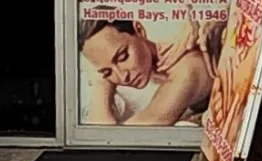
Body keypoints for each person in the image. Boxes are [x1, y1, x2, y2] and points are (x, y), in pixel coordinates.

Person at [77, 17, 212, 127]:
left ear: (139, 30)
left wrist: (102, 85)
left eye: (123, 57)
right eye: (107, 72)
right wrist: (101, 82)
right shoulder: (157, 70)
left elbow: (112, 139)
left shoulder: (187, 69)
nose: (123, 77)